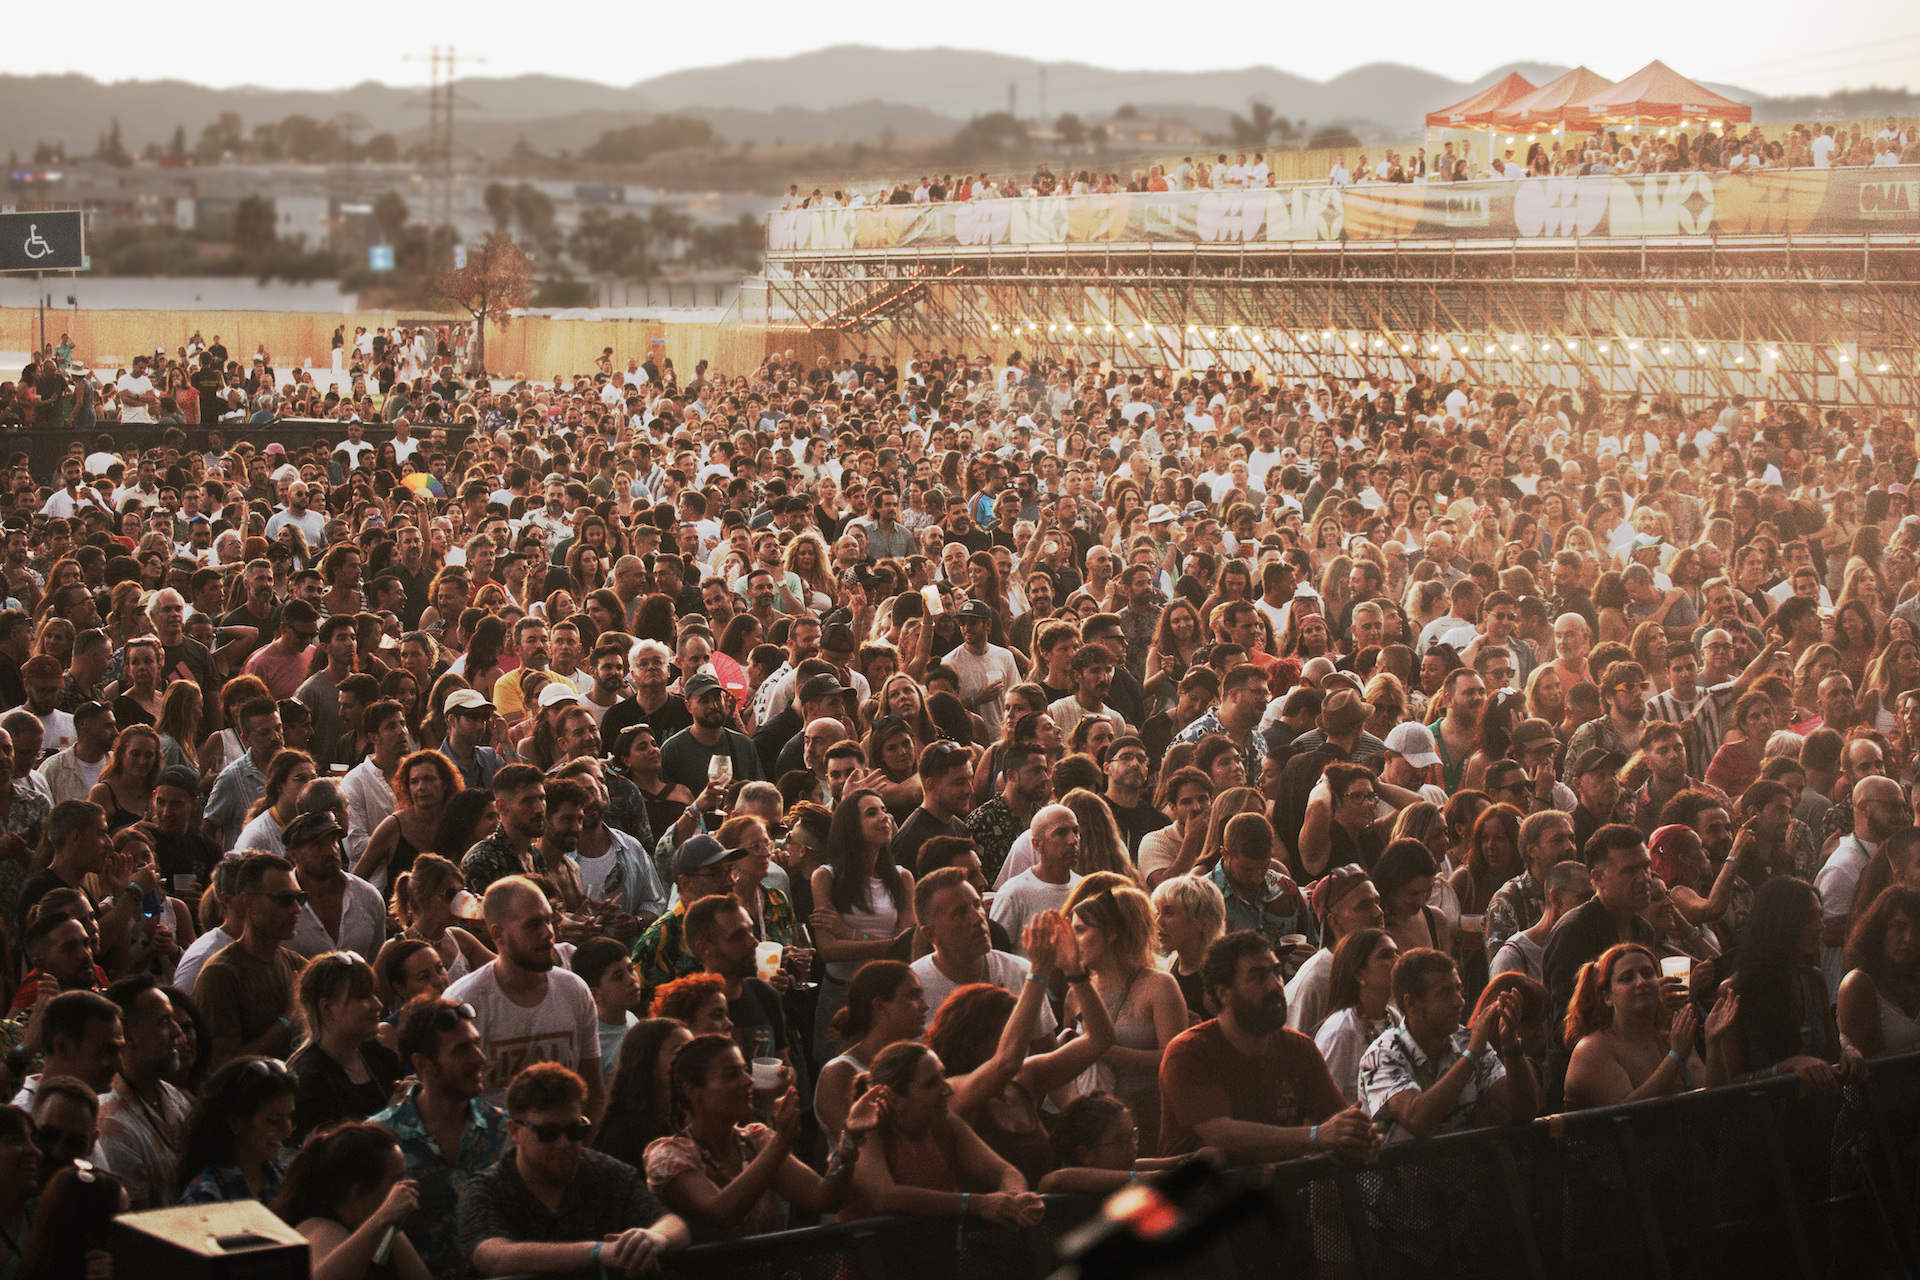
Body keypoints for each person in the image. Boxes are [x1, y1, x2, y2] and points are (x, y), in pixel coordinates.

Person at [1157, 930, 1380, 1161]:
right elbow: (1221, 1133)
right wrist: (1315, 1136)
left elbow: (1338, 1119)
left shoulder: (1299, 1049)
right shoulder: (1188, 1052)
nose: (1274, 985)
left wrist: (1362, 1137)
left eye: (1276, 972)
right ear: (1223, 993)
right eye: (1258, 977)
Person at [456, 1062, 690, 1278]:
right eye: (548, 1133)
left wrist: (653, 1238)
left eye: (575, 1131)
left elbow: (673, 1224)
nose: (564, 1143)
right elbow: (492, 1257)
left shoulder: (608, 1174)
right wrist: (598, 1252)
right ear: (515, 1131)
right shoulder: (486, 1189)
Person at [644, 1034, 870, 1241]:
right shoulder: (669, 1156)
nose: (748, 1081)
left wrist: (850, 1139)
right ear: (691, 1091)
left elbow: (824, 1197)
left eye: (744, 1071)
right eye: (731, 1075)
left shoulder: (755, 1140)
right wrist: (781, 1143)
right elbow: (722, 1213)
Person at [372, 997, 511, 1280]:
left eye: (476, 1044)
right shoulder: (379, 1140)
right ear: (423, 1064)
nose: (479, 1058)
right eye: (461, 1050)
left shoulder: (505, 1131)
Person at [837, 1040, 1046, 1228]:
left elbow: (1006, 1172)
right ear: (894, 1098)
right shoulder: (869, 1134)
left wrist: (1016, 1202)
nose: (948, 1090)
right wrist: (977, 1204)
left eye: (943, 1077)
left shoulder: (945, 1122)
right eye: (931, 1084)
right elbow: (884, 1197)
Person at [446, 875, 604, 1115]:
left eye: (548, 920)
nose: (548, 933)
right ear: (498, 934)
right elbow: (450, 1101)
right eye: (533, 925)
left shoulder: (574, 991)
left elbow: (593, 1091)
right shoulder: (465, 1001)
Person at [1357, 947, 1539, 1141]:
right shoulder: (1383, 1054)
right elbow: (1417, 1120)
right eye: (1444, 993)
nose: (1459, 1002)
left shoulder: (1466, 1041)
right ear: (1411, 1003)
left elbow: (1525, 1111)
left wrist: (1511, 1045)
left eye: (1458, 989)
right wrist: (1470, 1057)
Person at [1541, 824, 1661, 1106]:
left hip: (1637, 1074)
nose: (1644, 878)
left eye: (1646, 867)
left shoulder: (1643, 929)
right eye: (1629, 871)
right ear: (1598, 878)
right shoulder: (1573, 932)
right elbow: (1566, 1028)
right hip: (1584, 1094)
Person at [273, 1122, 432, 1280]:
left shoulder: (383, 1229)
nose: (405, 1187)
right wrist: (384, 1216)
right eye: (396, 1181)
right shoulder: (320, 1227)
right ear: (358, 1192)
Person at [192, 853, 306, 1068]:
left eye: (299, 898)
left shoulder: (295, 964)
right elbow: (222, 1066)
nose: (296, 909)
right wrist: (288, 1020)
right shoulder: (221, 975)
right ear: (247, 902)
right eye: (284, 900)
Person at [96, 974, 193, 1211]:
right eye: (163, 1022)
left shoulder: (172, 1097)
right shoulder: (114, 1127)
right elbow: (138, 1226)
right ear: (128, 1034)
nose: (177, 1032)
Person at [288, 951, 404, 1142]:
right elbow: (334, 1152)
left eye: (374, 994)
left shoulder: (375, 1053)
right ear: (326, 1008)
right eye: (363, 997)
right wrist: (390, 1115)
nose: (377, 1005)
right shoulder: (309, 1080)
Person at [815, 960, 926, 1142]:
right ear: (880, 1006)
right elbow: (857, 1147)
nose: (925, 1006)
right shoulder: (839, 1073)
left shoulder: (920, 1061)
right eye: (913, 996)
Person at [177, 1055, 298, 1204]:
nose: (287, 1132)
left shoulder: (288, 1183)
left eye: (289, 1117)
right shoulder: (206, 1194)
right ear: (236, 1122)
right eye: (273, 1121)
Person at [1315, 928, 1399, 1105]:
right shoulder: (1340, 1032)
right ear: (1359, 973)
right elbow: (1321, 1104)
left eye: (1396, 953)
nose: (1398, 961)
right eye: (1385, 956)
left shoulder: (1394, 1018)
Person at [594, 1019, 691, 1171]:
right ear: (649, 1061)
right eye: (678, 1052)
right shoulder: (624, 1136)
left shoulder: (687, 1122)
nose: (691, 1060)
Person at [1837, 886, 1920, 1059]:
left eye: (1918, 930)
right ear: (1879, 929)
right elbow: (1869, 1062)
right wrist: (1914, 1049)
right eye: (1899, 927)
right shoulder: (1858, 985)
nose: (1909, 938)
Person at [1150, 872, 1227, 1019]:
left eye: (1168, 913)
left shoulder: (1217, 979)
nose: (1158, 922)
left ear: (1201, 919)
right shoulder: (1171, 964)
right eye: (1157, 912)